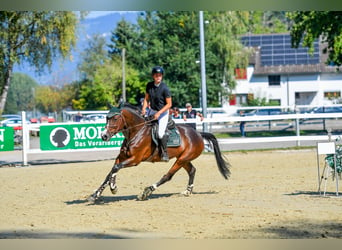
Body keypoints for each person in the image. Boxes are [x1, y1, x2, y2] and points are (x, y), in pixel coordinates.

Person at [141, 66, 172, 162]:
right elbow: (146, 99)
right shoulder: (149, 85)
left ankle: (164, 152)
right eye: (156, 75)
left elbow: (169, 104)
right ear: (153, 76)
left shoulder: (165, 88)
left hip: (163, 112)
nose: (158, 77)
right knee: (143, 127)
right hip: (152, 111)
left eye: (160, 75)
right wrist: (143, 108)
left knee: (160, 133)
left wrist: (159, 113)